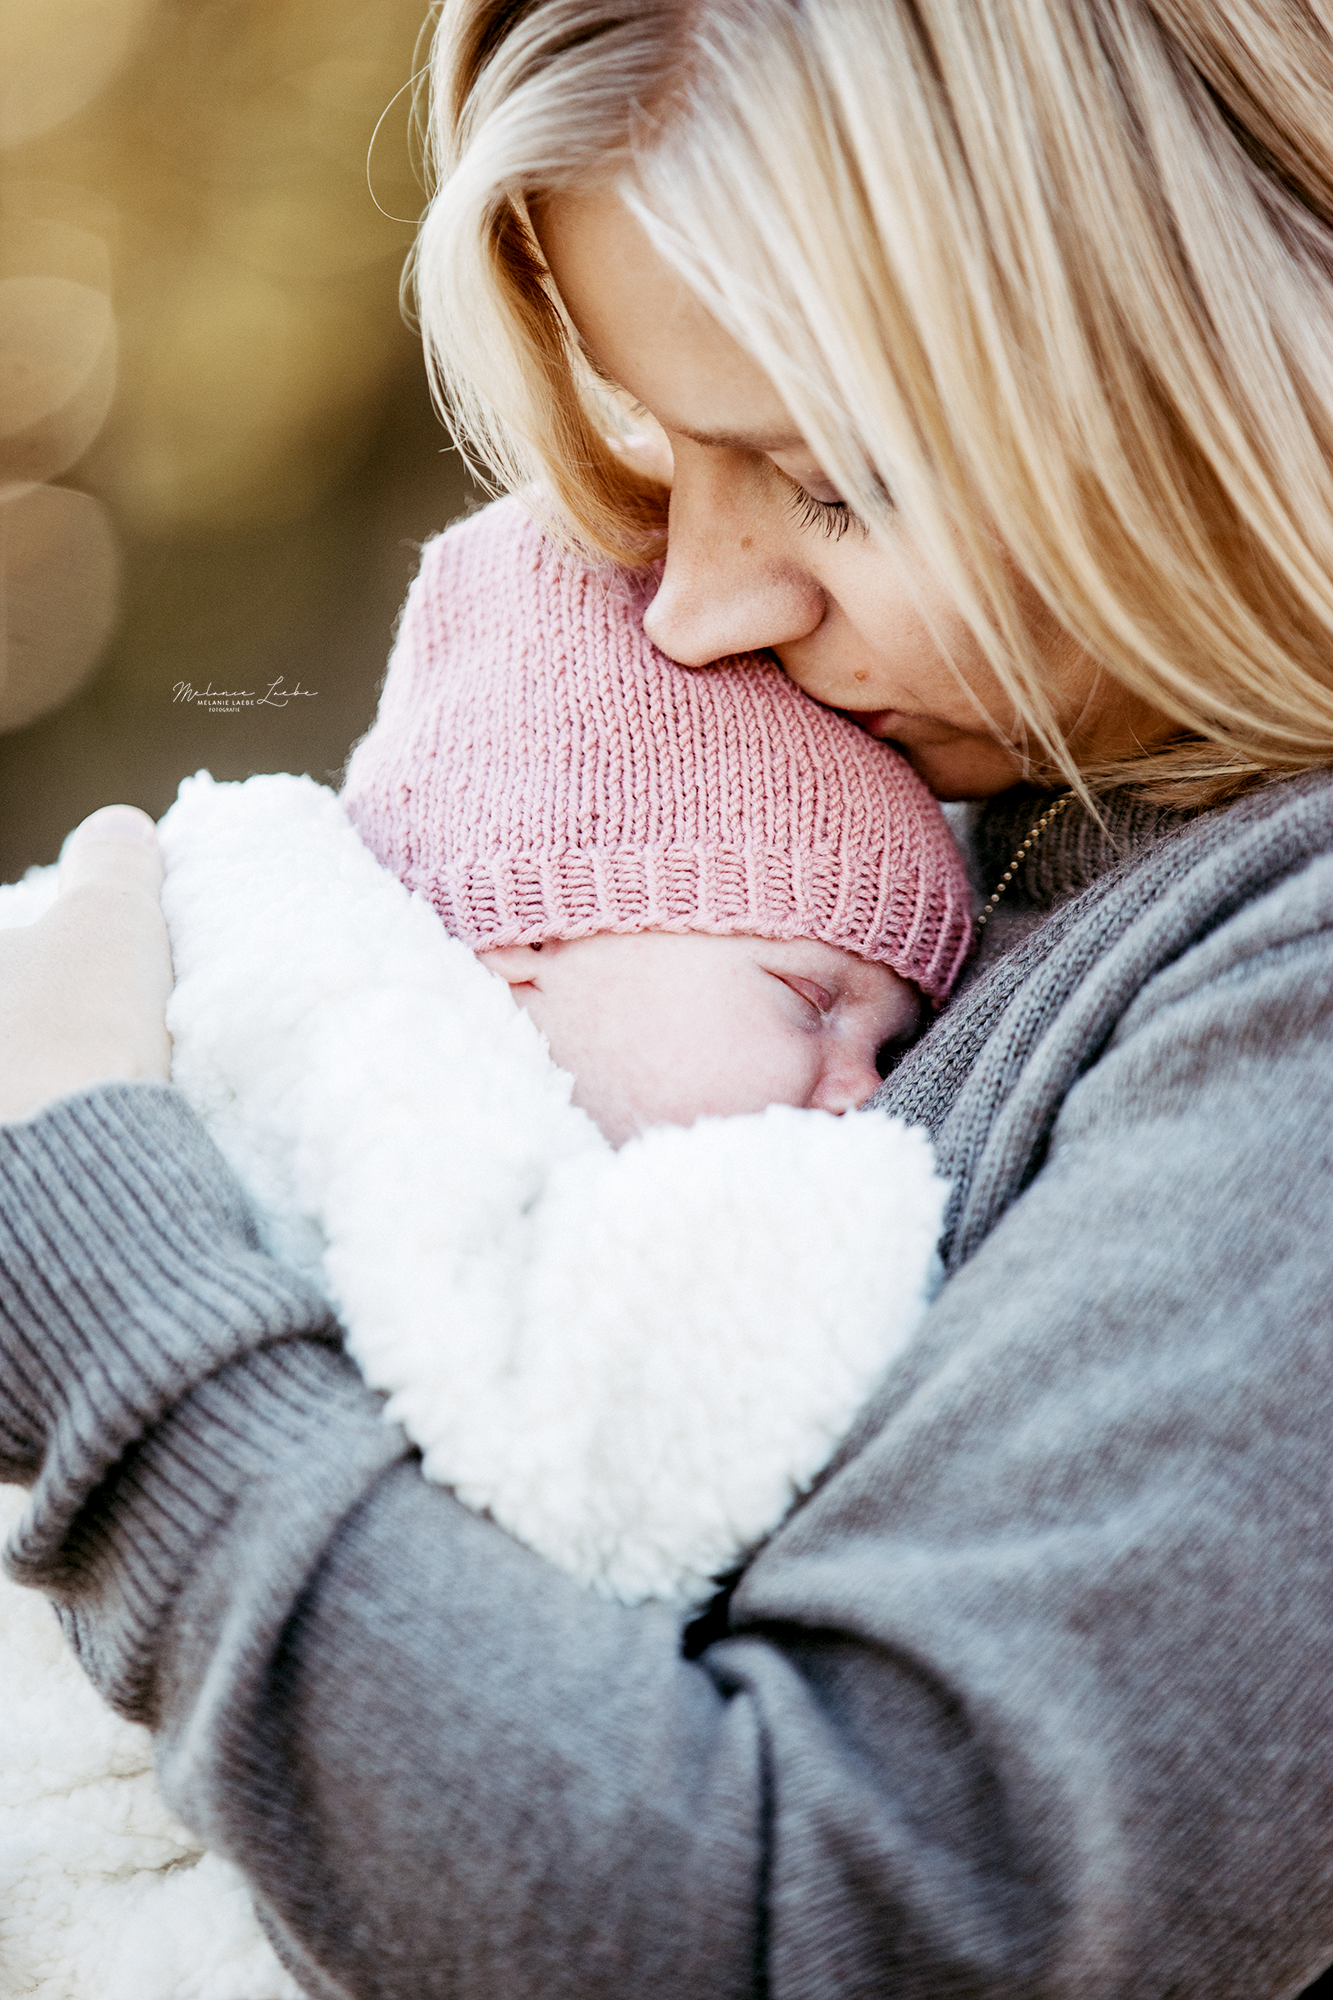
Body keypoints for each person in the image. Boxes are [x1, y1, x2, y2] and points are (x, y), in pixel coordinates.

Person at [3, 0, 1333, 1994]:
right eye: (657, 443)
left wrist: (97, 1272)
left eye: (831, 481)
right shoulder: (989, 790)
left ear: (1216, 354)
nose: (700, 607)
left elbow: (819, 1927)